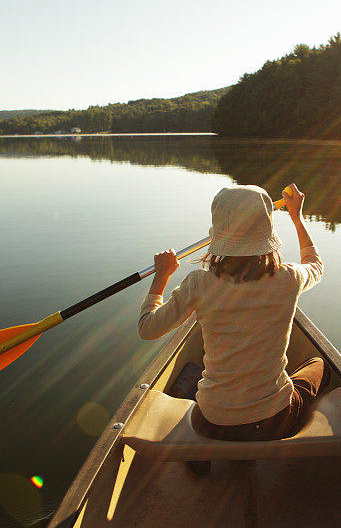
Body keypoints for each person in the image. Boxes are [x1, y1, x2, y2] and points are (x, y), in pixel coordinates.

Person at [137, 183, 329, 445]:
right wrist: (297, 219)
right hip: (273, 421)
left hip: (212, 423)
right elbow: (315, 264)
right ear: (267, 232)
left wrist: (161, 275)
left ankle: (207, 449)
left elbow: (147, 329)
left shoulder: (198, 284)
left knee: (192, 372)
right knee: (319, 365)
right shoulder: (289, 278)